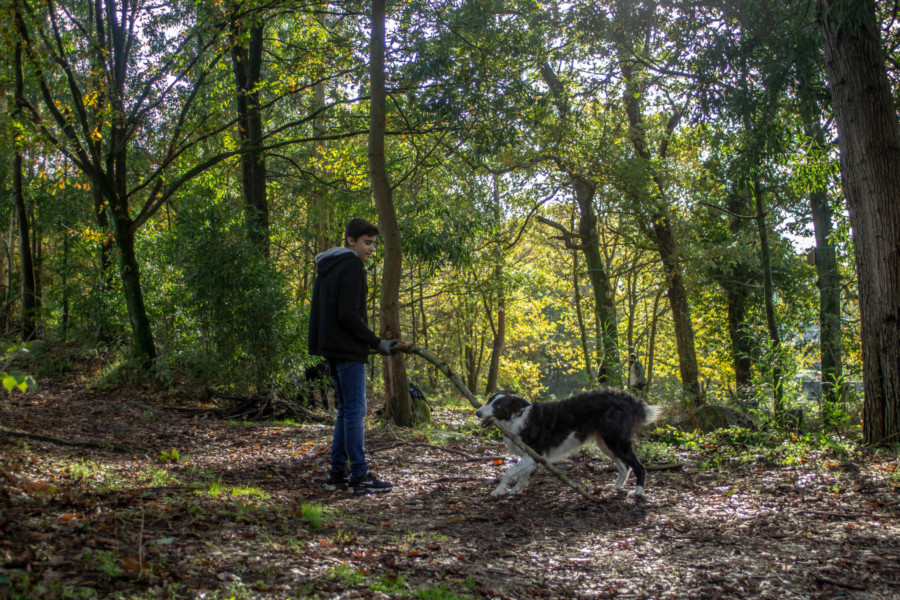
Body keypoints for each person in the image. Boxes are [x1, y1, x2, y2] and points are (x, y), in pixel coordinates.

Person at [308, 218, 399, 494]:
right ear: (351, 240)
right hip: (347, 352)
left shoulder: (328, 267)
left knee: (345, 412)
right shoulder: (351, 266)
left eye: (374, 243)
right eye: (367, 243)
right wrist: (376, 343)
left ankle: (338, 474)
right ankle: (359, 475)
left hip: (332, 349)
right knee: (354, 413)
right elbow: (348, 315)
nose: (372, 249)